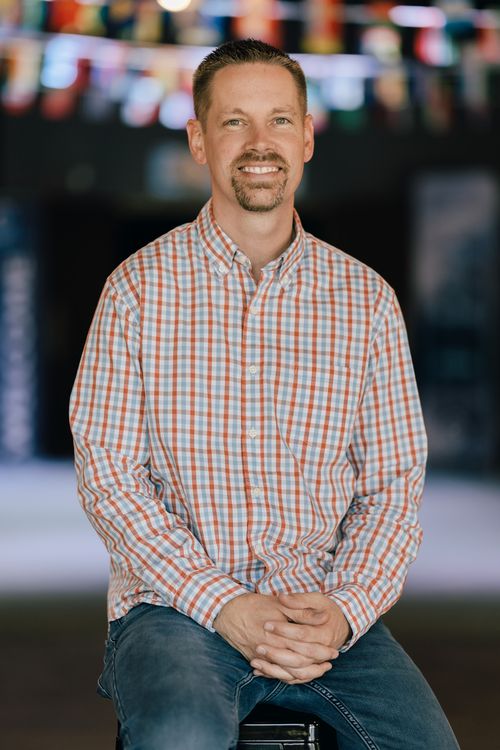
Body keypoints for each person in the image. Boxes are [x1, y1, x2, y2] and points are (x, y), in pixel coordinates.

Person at [69, 39, 459, 750]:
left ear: (306, 137)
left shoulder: (365, 301)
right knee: (180, 735)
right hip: (176, 609)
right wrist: (224, 604)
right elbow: (110, 478)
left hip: (322, 610)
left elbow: (393, 485)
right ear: (198, 139)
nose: (259, 143)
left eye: (279, 120)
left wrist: (345, 611)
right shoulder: (136, 292)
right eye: (234, 121)